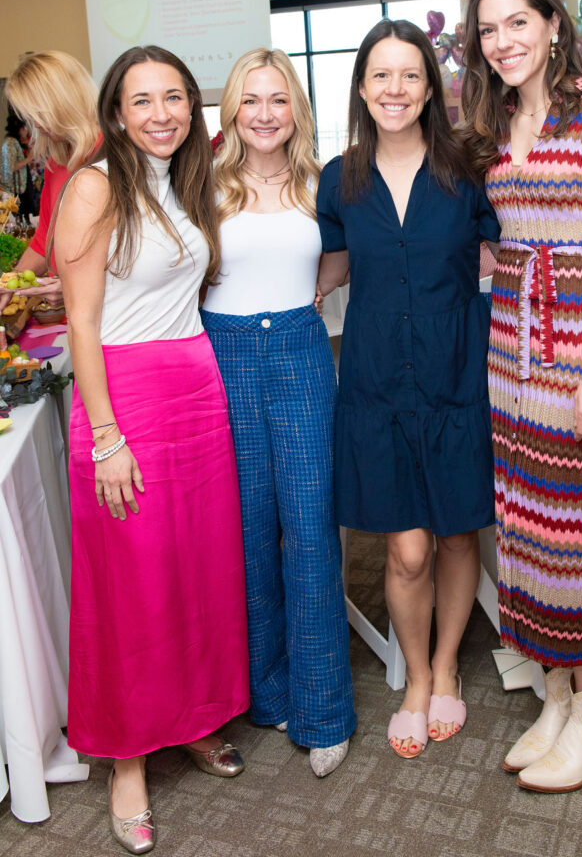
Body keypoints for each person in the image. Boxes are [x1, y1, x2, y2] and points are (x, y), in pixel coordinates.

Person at [54, 45, 249, 853]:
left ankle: (194, 719)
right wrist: (105, 438)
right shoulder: (95, 187)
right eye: (143, 100)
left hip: (196, 393)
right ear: (116, 113)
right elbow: (83, 323)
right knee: (129, 587)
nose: (162, 113)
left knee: (196, 573)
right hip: (124, 405)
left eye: (175, 97)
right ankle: (126, 759)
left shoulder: (183, 183)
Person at [461, 0, 582, 793]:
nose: (502, 42)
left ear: (550, 23)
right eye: (488, 29)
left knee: (575, 534)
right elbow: (503, 235)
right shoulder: (498, 117)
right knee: (526, 527)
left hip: (578, 349)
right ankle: (561, 695)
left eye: (516, 23)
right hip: (511, 344)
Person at [316, 19, 501, 759]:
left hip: (457, 370)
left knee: (457, 532)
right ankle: (417, 675)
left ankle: (447, 662)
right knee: (407, 549)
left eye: (410, 75)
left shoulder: (466, 167)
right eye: (380, 76)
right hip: (376, 381)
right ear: (361, 87)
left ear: (432, 87)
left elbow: (503, 253)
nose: (395, 89)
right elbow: (330, 267)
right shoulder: (340, 177)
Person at [201, 48, 356, 778]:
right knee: (248, 530)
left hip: (297, 350)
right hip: (220, 356)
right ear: (232, 110)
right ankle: (269, 694)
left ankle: (324, 708)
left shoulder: (321, 186)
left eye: (277, 100)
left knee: (311, 529)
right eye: (249, 100)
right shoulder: (202, 184)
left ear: (295, 108)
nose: (264, 114)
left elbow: (340, 257)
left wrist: (311, 295)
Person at [2, 50, 102, 310]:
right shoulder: (56, 162)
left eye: (39, 112)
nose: (35, 123)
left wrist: (73, 287)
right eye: (29, 116)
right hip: (80, 316)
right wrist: (10, 283)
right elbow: (45, 238)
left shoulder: (113, 154)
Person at [1, 108, 33, 217]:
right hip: (16, 190)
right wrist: (28, 159)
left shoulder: (19, 142)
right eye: (24, 127)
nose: (26, 130)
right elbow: (9, 168)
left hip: (23, 187)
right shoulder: (10, 143)